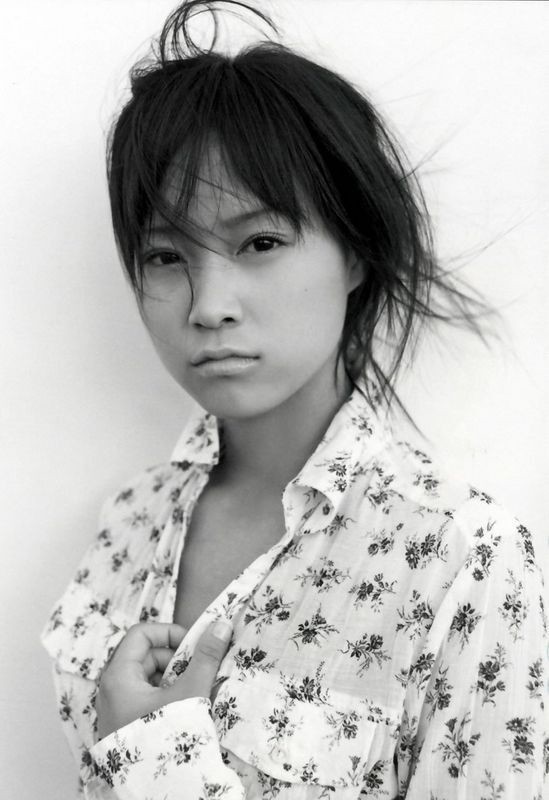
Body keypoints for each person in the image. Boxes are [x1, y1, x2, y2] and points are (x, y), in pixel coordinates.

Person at [41, 1, 547, 798]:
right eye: (165, 255)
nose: (209, 306)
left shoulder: (457, 554)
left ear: (357, 251)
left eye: (261, 242)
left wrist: (156, 758)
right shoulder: (130, 520)